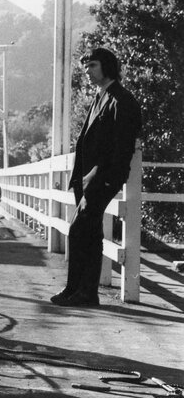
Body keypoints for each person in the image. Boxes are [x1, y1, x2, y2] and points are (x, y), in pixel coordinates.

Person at [51, 47, 141, 307]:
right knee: (87, 233)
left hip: (102, 179)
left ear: (106, 66)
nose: (87, 72)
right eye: (86, 66)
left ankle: (85, 291)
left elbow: (122, 147)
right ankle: (77, 290)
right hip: (87, 179)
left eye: (92, 66)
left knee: (80, 230)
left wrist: (106, 179)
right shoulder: (102, 96)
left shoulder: (122, 100)